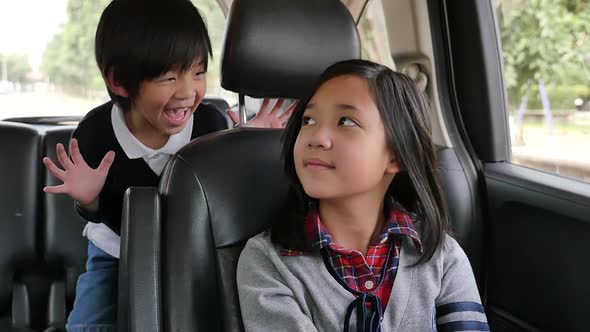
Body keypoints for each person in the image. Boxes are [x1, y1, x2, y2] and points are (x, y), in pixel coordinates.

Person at [42, 1, 294, 331]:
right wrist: (90, 201)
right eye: (168, 77)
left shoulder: (210, 124)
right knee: (89, 323)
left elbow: (220, 196)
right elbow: (105, 214)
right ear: (119, 81)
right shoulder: (95, 135)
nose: (188, 92)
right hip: (117, 251)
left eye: (199, 72)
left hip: (192, 250)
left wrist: (242, 144)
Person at [237, 59, 489, 331]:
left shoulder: (441, 255)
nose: (316, 137)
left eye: (346, 121)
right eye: (308, 120)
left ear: (396, 156)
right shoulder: (267, 261)